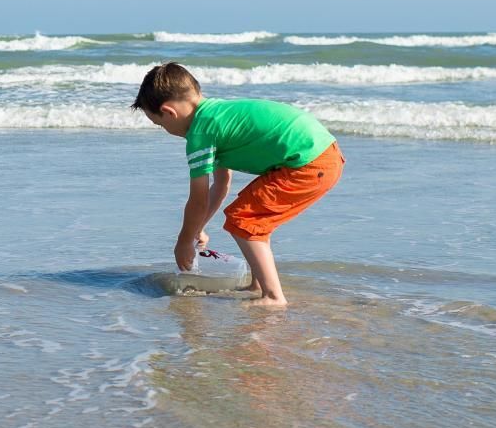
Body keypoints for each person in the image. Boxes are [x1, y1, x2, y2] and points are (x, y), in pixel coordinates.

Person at [132, 62, 344, 306]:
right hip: (319, 155)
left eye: (160, 125)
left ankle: (274, 297)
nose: (165, 130)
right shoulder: (215, 115)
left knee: (244, 219)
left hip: (310, 163)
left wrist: (183, 241)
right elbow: (222, 183)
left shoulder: (200, 134)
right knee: (252, 217)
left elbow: (198, 198)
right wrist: (198, 227)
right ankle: (258, 284)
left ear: (169, 112)